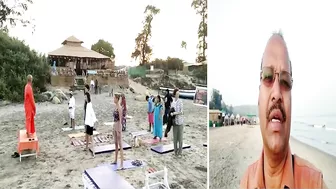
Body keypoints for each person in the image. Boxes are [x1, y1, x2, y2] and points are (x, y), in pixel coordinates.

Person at [240, 32, 326, 189]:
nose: (277, 93)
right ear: (258, 99)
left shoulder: (315, 183)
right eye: (267, 76)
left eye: (285, 81)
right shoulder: (246, 180)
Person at [112, 93, 124, 170]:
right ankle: (115, 160)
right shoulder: (115, 107)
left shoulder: (119, 108)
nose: (113, 99)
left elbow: (120, 120)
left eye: (114, 98)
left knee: (120, 145)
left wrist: (119, 131)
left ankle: (122, 164)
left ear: (117, 99)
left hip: (118, 126)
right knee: (116, 144)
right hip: (115, 125)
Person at [171, 88, 184, 157]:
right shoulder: (173, 102)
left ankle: (180, 152)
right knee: (175, 138)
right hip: (174, 122)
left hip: (180, 122)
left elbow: (182, 112)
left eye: (179, 94)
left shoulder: (180, 101)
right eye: (177, 94)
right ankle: (175, 151)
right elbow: (171, 110)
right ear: (174, 94)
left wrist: (175, 113)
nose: (178, 95)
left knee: (180, 138)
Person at [83, 92, 97, 157]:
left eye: (85, 97)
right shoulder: (87, 104)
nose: (85, 98)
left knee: (91, 137)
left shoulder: (89, 104)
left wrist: (94, 120)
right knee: (87, 135)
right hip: (88, 122)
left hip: (90, 123)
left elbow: (92, 113)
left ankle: (93, 152)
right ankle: (86, 147)